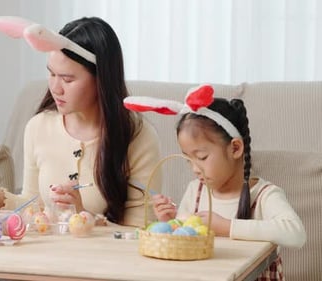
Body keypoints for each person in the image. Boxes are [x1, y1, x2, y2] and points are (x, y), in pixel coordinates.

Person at [0, 16, 162, 227]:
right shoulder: (38, 127)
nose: (55, 88)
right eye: (51, 74)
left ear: (101, 79)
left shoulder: (137, 135)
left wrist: (83, 217)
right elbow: (34, 205)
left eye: (68, 79)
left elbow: (139, 230)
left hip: (103, 259)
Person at [124, 84, 306, 279]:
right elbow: (187, 238)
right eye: (188, 159)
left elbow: (296, 234)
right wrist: (170, 223)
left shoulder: (264, 195)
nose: (195, 168)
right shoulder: (196, 191)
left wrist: (227, 227)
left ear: (235, 148)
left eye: (201, 157)